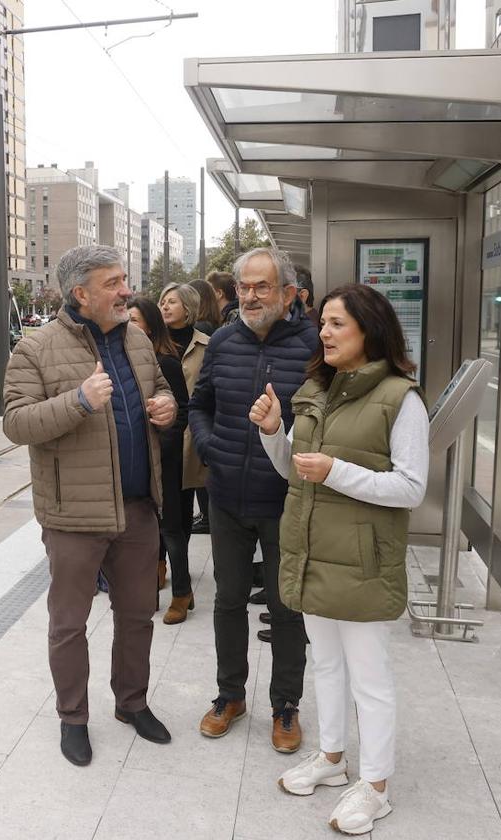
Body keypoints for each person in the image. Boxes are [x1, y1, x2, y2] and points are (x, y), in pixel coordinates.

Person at [250, 282, 429, 835]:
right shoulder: (316, 389)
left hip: (362, 563)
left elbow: (411, 488)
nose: (323, 333)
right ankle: (332, 758)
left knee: (370, 679)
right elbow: (294, 469)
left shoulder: (403, 398)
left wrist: (336, 472)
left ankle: (375, 787)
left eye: (335, 324)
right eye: (323, 323)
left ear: (369, 331)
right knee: (324, 664)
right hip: (311, 552)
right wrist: (273, 431)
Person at [3, 244, 178, 768]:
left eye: (125, 280)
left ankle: (132, 703)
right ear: (81, 293)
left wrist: (166, 406)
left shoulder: (139, 342)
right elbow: (17, 423)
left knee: (138, 614)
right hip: (74, 516)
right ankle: (73, 718)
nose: (127, 291)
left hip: (139, 507)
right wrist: (78, 400)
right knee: (69, 623)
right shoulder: (35, 350)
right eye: (113, 283)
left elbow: (163, 388)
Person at [189, 247, 316, 751]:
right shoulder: (222, 341)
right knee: (227, 599)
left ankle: (286, 707)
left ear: (289, 293)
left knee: (287, 608)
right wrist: (208, 446)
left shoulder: (314, 346)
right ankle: (230, 695)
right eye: (243, 286)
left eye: (261, 286)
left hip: (286, 499)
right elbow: (199, 405)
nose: (249, 296)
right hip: (226, 496)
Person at [127, 296, 193, 624]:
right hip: (138, 461)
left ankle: (182, 592)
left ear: (149, 326)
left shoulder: (165, 361)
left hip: (164, 459)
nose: (128, 326)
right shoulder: (126, 360)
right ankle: (155, 575)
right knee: (147, 527)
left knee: (171, 528)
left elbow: (182, 410)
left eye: (134, 320)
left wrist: (161, 438)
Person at [159, 283, 212, 543]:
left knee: (184, 503)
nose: (165, 306)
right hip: (162, 432)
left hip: (191, 434)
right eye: (163, 302)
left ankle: (180, 568)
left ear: (188, 307)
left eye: (172, 302)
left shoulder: (207, 346)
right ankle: (160, 564)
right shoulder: (150, 344)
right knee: (161, 504)